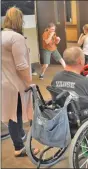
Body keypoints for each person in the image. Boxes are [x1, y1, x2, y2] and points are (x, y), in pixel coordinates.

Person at [1, 7, 40, 157]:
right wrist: (29, 81)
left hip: (4, 82)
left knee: (13, 113)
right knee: (14, 115)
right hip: (15, 84)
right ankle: (19, 147)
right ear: (19, 20)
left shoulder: (2, 35)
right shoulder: (16, 38)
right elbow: (21, 65)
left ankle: (21, 135)